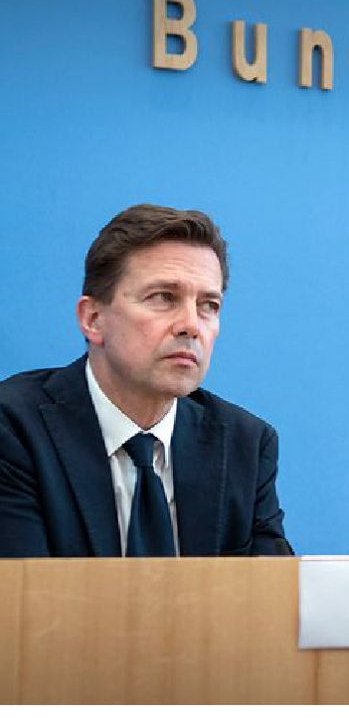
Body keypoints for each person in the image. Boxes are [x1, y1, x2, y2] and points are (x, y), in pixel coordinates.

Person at [0, 204, 291, 557]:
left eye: (209, 305)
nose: (191, 325)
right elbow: (23, 600)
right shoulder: (15, 429)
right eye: (163, 298)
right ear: (93, 319)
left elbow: (268, 601)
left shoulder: (246, 445)